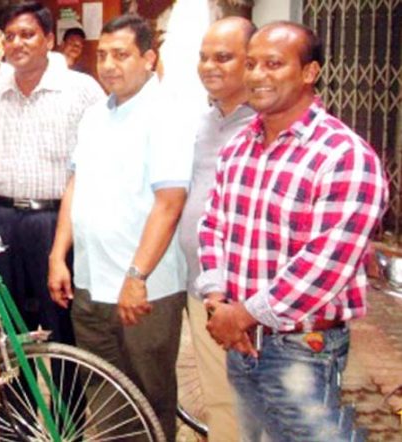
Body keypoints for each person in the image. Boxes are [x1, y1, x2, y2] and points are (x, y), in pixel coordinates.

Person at [199, 21, 386, 441]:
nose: (257, 75)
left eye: (273, 64)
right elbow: (212, 225)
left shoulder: (344, 156)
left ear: (309, 73)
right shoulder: (239, 147)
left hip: (302, 348)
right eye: (251, 64)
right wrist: (216, 300)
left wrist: (241, 315)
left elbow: (325, 267)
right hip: (242, 343)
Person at [48, 14, 192, 439]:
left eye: (122, 55)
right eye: (104, 54)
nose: (109, 64)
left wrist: (137, 276)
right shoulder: (94, 116)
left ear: (148, 59)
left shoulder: (166, 115)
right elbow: (75, 186)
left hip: (144, 290)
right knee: (106, 395)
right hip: (92, 284)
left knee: (149, 398)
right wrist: (59, 255)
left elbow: (169, 204)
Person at [0, 0, 103, 349]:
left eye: (28, 34)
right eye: (11, 35)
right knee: (7, 326)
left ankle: (65, 406)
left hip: (56, 223)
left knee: (60, 326)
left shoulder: (81, 91)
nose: (17, 43)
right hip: (2, 221)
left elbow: (99, 162)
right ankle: (14, 405)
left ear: (48, 40)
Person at [176, 16, 256, 442]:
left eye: (223, 57)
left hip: (251, 298)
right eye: (204, 57)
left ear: (252, 62)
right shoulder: (201, 123)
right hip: (202, 285)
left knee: (262, 403)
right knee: (219, 400)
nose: (209, 66)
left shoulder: (267, 126)